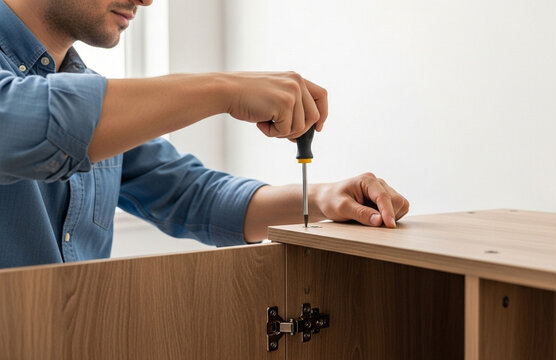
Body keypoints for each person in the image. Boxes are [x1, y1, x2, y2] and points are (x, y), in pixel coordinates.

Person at [0, 0, 409, 269]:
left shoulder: (92, 94)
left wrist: (322, 198)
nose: (146, 0)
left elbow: (195, 196)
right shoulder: (75, 104)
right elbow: (28, 119)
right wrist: (222, 89)